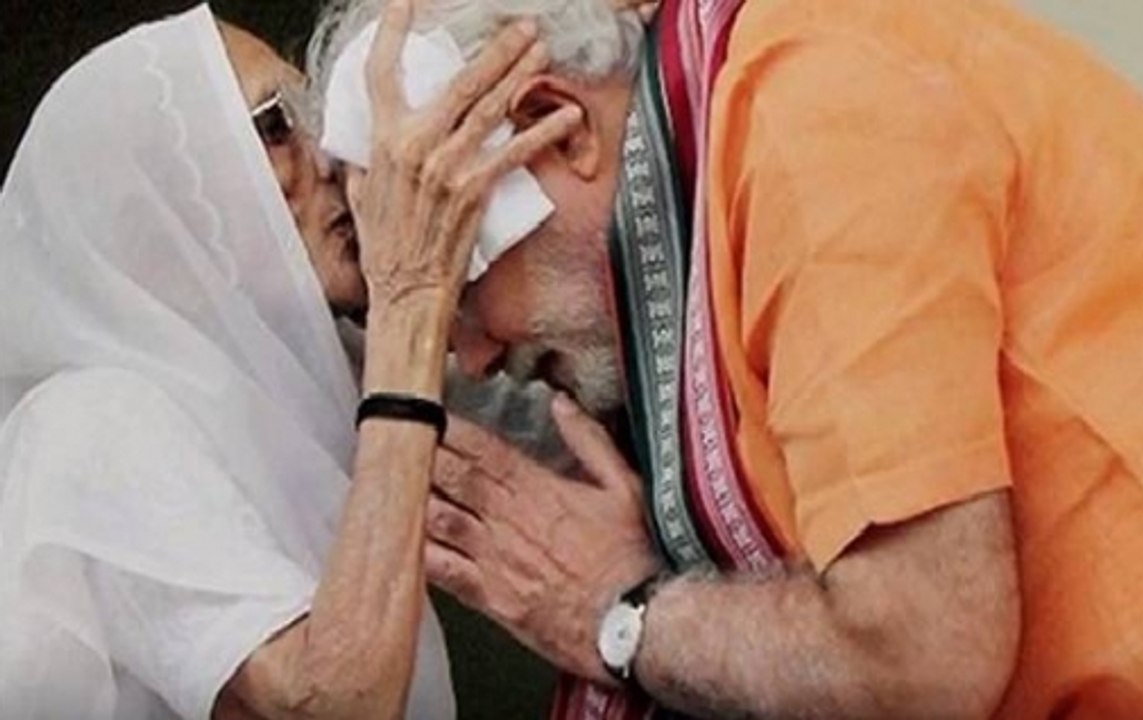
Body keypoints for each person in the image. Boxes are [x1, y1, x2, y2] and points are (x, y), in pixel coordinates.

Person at [312, 0, 1143, 718]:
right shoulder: (726, 134)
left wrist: (614, 608)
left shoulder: (808, 118)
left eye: (459, 282)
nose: (472, 356)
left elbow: (920, 650)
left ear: (551, 130)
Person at [0, 4, 578, 718]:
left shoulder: (322, 370)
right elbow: (333, 703)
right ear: (154, 221)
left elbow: (567, 447)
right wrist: (409, 299)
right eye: (276, 123)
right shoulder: (90, 421)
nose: (329, 155)